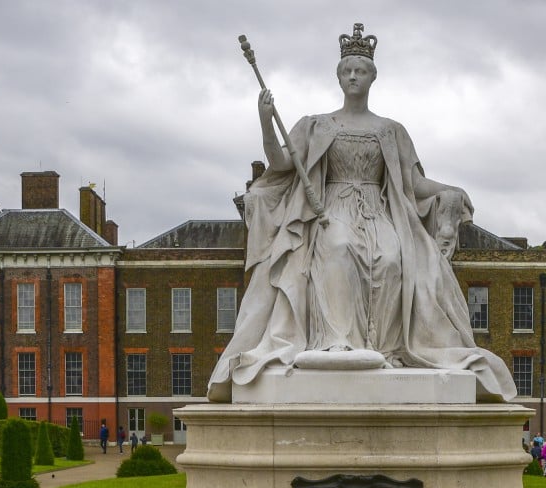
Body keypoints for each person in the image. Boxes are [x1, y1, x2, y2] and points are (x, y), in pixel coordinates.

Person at [207, 23, 516, 403]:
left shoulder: (391, 131)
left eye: (361, 70)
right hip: (330, 209)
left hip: (378, 211)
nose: (353, 76)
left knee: (392, 257)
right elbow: (281, 164)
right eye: (347, 71)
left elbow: (414, 184)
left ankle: (382, 348)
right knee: (338, 248)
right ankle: (337, 342)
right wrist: (265, 121)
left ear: (373, 77)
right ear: (338, 77)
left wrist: (449, 191)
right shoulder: (316, 125)